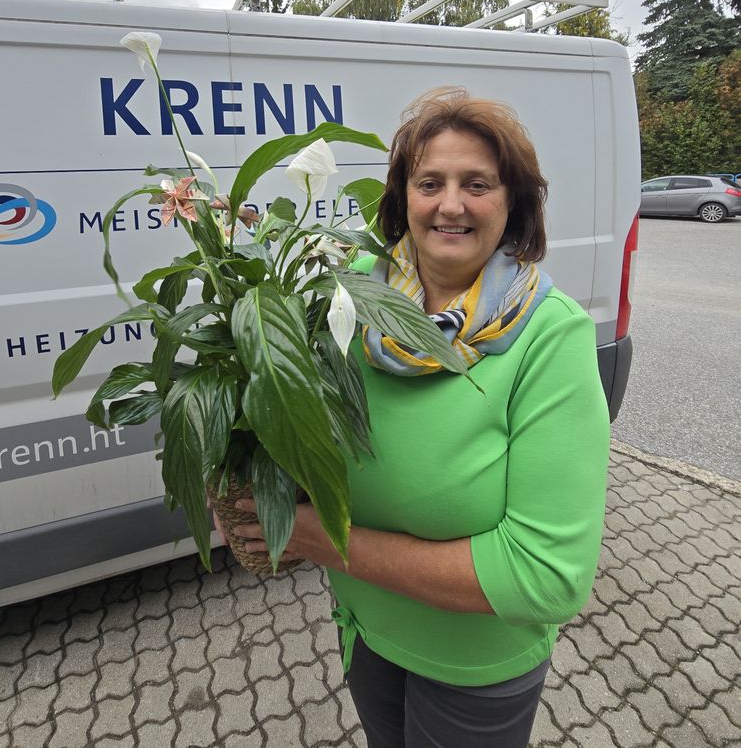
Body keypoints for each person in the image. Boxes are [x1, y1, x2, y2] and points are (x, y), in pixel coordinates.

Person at [232, 87, 611, 748]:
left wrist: (314, 539)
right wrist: (259, 494)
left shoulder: (551, 336)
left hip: (474, 669)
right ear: (401, 199)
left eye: (478, 183)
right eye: (429, 182)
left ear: (514, 202)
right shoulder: (346, 302)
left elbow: (546, 577)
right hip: (366, 631)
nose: (451, 204)